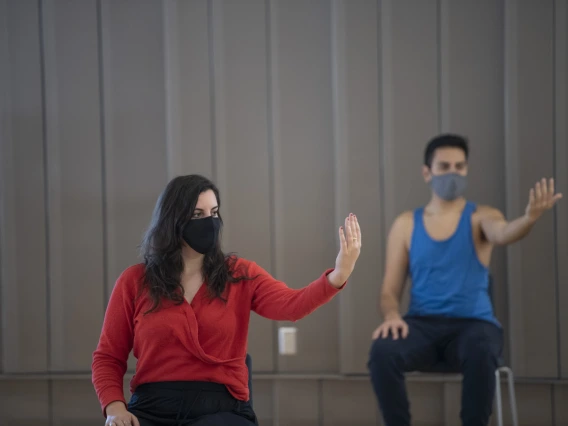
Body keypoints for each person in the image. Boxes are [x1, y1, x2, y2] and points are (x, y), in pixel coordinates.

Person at [92, 174, 362, 426]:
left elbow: (292, 305)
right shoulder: (135, 280)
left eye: (214, 213)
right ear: (172, 220)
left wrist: (338, 275)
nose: (209, 222)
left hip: (222, 409)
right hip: (152, 406)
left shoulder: (240, 273)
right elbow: (107, 356)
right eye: (197, 215)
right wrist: (115, 408)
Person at [367, 134, 562, 426]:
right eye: (444, 166)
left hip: (474, 326)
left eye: (459, 166)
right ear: (427, 172)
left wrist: (529, 219)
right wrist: (392, 315)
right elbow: (389, 290)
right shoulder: (406, 224)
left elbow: (505, 233)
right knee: (382, 351)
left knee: (482, 349)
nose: (452, 173)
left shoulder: (481, 216)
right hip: (422, 326)